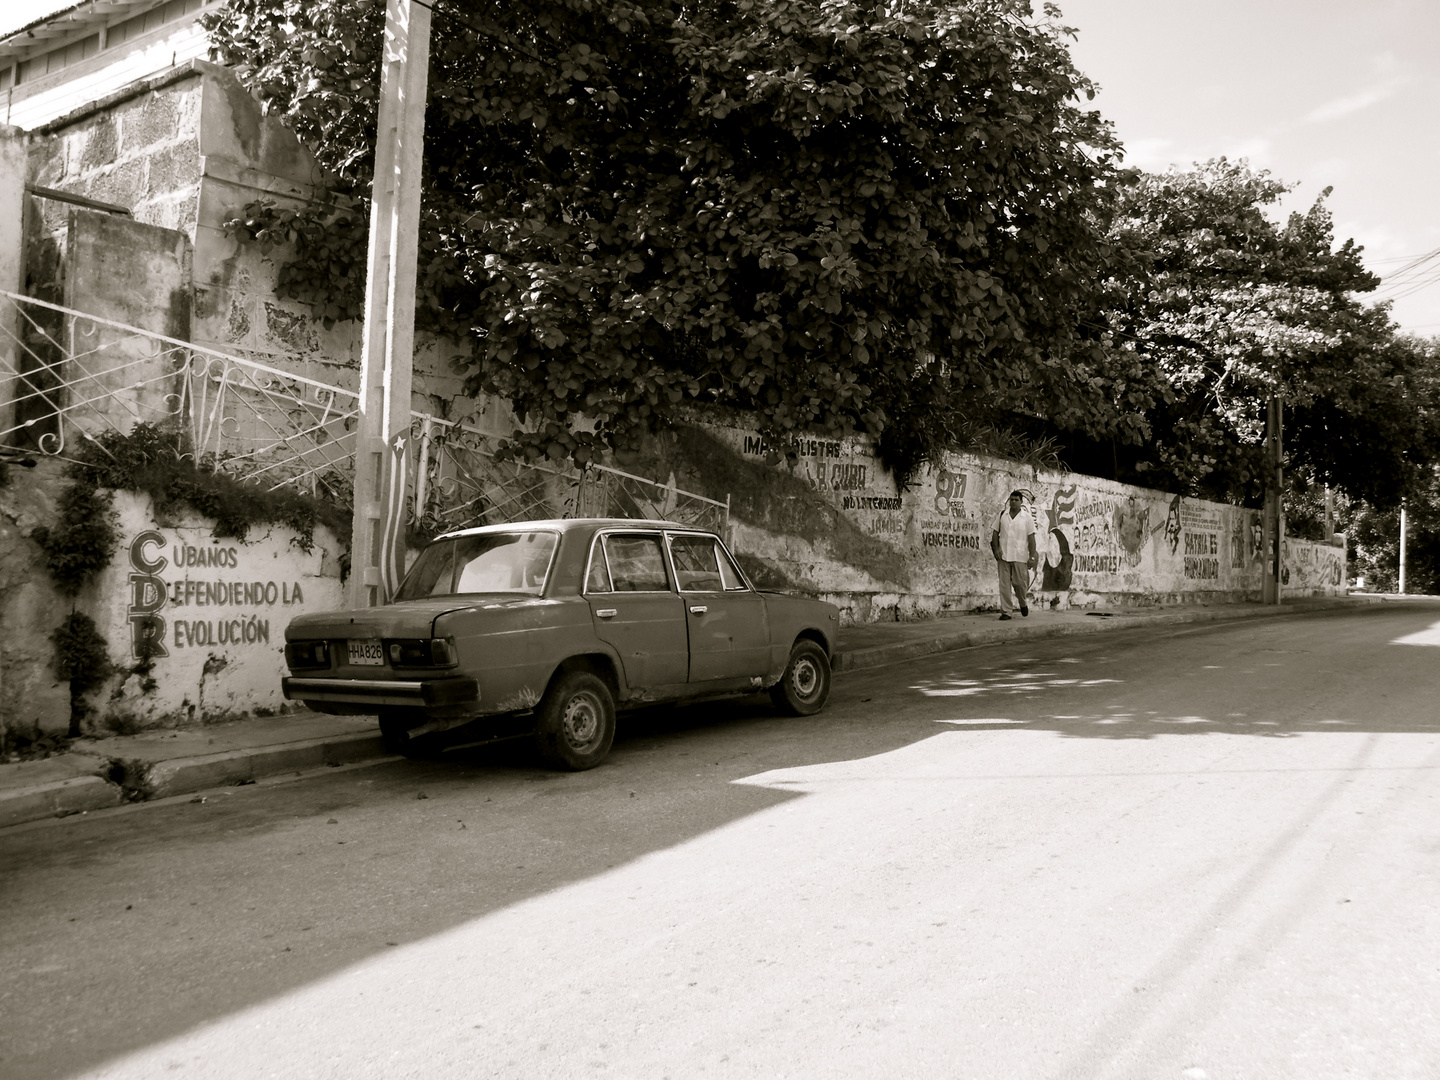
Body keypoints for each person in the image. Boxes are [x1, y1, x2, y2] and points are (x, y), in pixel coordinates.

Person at [990, 490, 1037, 620]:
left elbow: (1032, 538)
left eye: (1016, 500)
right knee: (1004, 585)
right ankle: (1006, 611)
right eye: (1011, 499)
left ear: (1021, 502)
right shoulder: (1002, 515)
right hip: (1004, 555)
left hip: (1020, 556)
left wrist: (1032, 556)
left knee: (1020, 584)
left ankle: (1022, 602)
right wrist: (996, 549)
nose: (1013, 502)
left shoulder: (1027, 518)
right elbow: (995, 533)